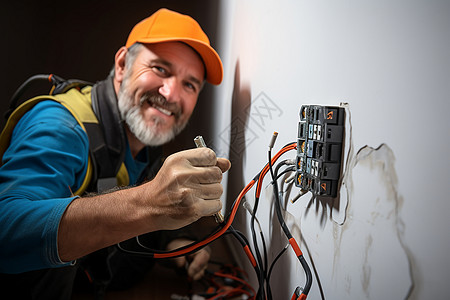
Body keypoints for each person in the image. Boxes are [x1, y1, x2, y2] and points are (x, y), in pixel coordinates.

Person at [0, 8, 230, 299]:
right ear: (122, 64)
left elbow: (128, 200)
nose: (171, 94)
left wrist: (175, 242)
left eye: (189, 84)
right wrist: (148, 203)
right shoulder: (61, 126)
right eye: (160, 69)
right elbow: (5, 230)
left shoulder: (143, 139)